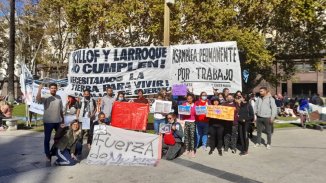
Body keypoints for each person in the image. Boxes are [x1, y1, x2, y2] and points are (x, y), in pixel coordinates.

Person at [36, 83, 64, 161]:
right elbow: (38, 99)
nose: (53, 89)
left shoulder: (59, 97)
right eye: (51, 88)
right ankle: (47, 155)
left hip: (58, 121)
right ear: (49, 89)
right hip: (48, 122)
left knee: (60, 139)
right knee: (47, 139)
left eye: (54, 88)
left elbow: (61, 109)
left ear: (56, 89)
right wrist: (39, 89)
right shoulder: (46, 96)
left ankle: (57, 152)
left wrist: (63, 119)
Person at [181, 93, 196, 158]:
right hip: (185, 122)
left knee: (192, 137)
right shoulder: (184, 105)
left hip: (192, 122)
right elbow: (181, 113)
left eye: (190, 98)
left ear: (192, 99)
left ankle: (192, 150)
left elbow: (196, 113)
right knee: (186, 136)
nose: (189, 100)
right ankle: (187, 149)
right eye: (188, 99)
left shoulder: (195, 105)